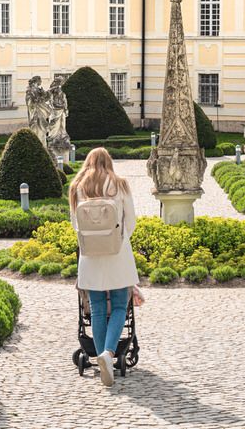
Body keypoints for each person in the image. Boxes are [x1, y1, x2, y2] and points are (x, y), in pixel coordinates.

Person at [69, 147, 138, 385]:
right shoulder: (119, 184)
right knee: (119, 305)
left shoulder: (77, 187)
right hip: (117, 253)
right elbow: (131, 221)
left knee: (97, 308)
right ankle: (108, 354)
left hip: (90, 255)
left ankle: (101, 360)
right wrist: (117, 240)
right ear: (109, 163)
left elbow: (74, 224)